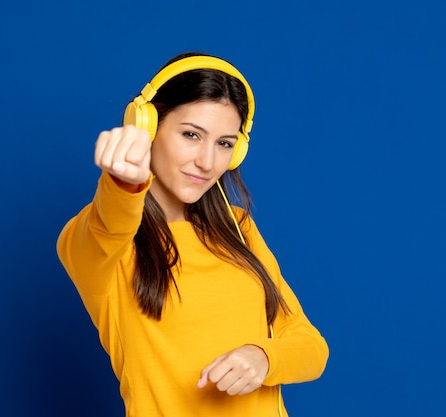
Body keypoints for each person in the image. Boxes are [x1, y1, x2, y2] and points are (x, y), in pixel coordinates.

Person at [56, 52, 329, 417]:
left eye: (224, 143)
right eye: (191, 135)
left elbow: (310, 346)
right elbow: (111, 221)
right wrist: (125, 183)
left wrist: (264, 357)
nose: (207, 161)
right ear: (148, 127)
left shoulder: (237, 227)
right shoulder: (101, 245)